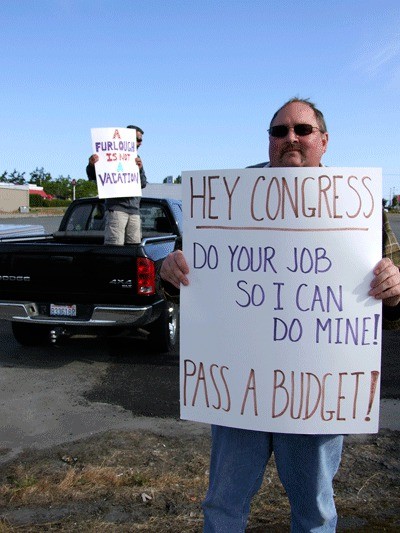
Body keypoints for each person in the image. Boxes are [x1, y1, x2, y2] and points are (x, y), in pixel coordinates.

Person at [159, 98, 400, 532]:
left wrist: (395, 288)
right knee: (223, 505)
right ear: (269, 141)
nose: (291, 138)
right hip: (240, 390)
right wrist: (169, 272)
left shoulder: (358, 205)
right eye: (280, 130)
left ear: (323, 141)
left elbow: (393, 298)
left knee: (315, 511)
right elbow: (192, 276)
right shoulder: (228, 198)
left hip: (315, 395)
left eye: (302, 130)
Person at [86, 125, 147, 245]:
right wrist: (92, 166)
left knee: (134, 247)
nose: (140, 143)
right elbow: (95, 177)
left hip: (134, 210)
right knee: (115, 246)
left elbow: (143, 183)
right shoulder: (106, 154)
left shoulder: (136, 159)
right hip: (117, 209)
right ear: (127, 138)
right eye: (137, 139)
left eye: (141, 140)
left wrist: (139, 169)